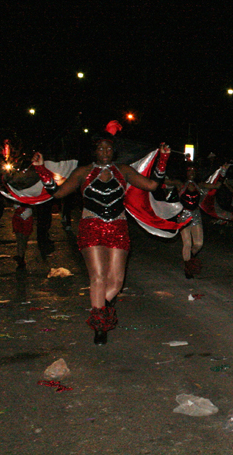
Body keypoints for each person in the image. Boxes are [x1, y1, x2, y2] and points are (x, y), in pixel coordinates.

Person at [30, 128, 171, 345]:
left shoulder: (123, 170)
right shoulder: (82, 172)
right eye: (101, 148)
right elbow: (57, 193)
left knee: (116, 281)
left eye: (108, 148)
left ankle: (101, 307)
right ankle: (99, 326)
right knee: (98, 277)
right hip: (91, 226)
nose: (105, 151)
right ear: (95, 151)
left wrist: (163, 158)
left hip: (118, 227)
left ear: (113, 151)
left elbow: (152, 185)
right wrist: (41, 170)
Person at [164, 161, 223, 279]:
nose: (191, 172)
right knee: (187, 243)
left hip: (196, 215)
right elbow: (161, 182)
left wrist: (223, 171)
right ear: (185, 172)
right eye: (189, 170)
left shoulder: (199, 185)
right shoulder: (179, 183)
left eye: (193, 171)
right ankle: (188, 269)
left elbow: (217, 186)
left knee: (199, 243)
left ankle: (189, 259)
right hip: (183, 215)